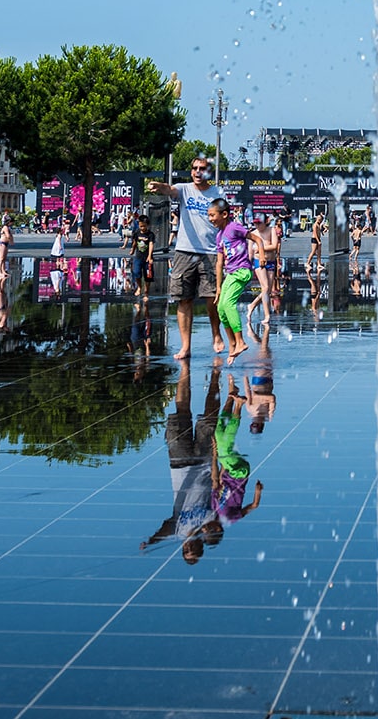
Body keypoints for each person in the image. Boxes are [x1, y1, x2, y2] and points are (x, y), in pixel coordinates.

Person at [142, 358, 222, 565]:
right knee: (210, 418)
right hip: (204, 462)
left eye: (187, 550)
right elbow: (217, 487)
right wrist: (216, 457)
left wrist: (152, 540)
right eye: (194, 550)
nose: (189, 546)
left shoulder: (179, 531)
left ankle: (184, 369)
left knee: (181, 413)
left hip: (179, 462)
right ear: (200, 546)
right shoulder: (209, 523)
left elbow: (166, 529)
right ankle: (216, 375)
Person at [147, 158, 226, 361]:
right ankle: (185, 346)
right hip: (184, 251)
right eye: (194, 168)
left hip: (210, 251)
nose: (198, 172)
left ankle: (216, 335)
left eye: (202, 169)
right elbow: (169, 190)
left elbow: (226, 221)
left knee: (212, 298)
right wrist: (158, 186)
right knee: (183, 298)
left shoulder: (217, 193)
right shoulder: (184, 189)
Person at [212, 381, 264, 528]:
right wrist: (257, 492)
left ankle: (232, 398)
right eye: (206, 529)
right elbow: (253, 506)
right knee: (226, 446)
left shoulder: (214, 506)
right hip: (240, 474)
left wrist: (218, 458)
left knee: (218, 433)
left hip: (229, 469)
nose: (204, 526)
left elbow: (219, 481)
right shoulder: (230, 518)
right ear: (216, 529)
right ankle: (239, 405)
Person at [209, 197, 252, 362]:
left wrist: (261, 254)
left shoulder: (234, 227)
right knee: (220, 308)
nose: (210, 219)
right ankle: (233, 344)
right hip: (231, 273)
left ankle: (240, 341)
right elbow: (219, 263)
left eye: (213, 215)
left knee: (228, 304)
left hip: (242, 271)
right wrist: (218, 287)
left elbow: (255, 239)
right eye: (209, 215)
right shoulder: (219, 236)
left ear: (225, 214)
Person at [131, 212, 154, 297]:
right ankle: (140, 287)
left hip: (147, 258)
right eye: (141, 226)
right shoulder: (137, 233)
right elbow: (134, 243)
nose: (142, 228)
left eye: (144, 226)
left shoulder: (150, 234)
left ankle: (146, 291)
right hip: (138, 257)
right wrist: (132, 250)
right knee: (136, 272)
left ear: (148, 225)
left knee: (148, 275)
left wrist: (150, 256)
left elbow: (151, 244)